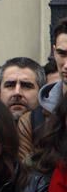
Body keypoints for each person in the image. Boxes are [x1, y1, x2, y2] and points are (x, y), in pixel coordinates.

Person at [17, 19, 67, 161]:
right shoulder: (30, 121)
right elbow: (27, 177)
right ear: (54, 51)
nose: (66, 65)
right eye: (62, 53)